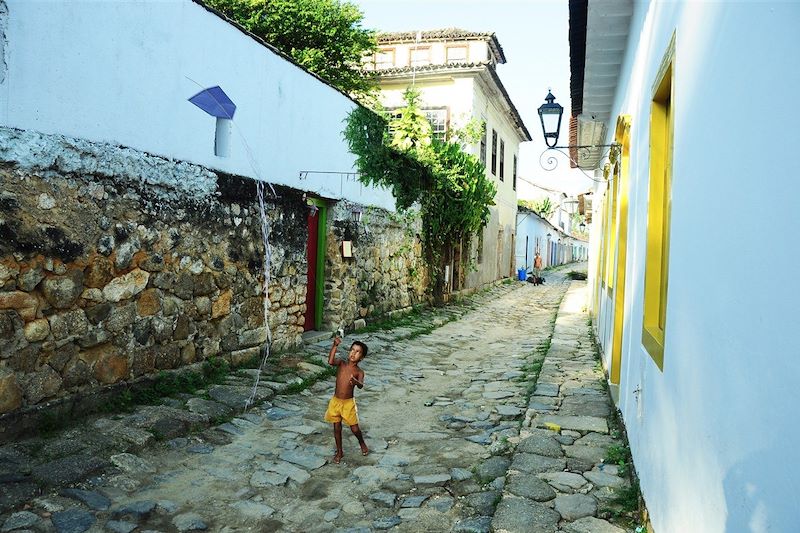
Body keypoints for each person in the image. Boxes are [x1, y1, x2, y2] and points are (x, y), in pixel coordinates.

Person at [324, 335, 369, 464]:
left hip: (348, 404)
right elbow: (331, 361)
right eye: (352, 350)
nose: (353, 353)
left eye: (357, 352)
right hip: (336, 401)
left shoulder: (359, 372)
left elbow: (360, 385)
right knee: (337, 427)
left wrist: (355, 382)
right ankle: (339, 451)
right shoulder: (342, 364)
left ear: (362, 357)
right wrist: (334, 345)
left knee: (354, 429)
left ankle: (361, 442)